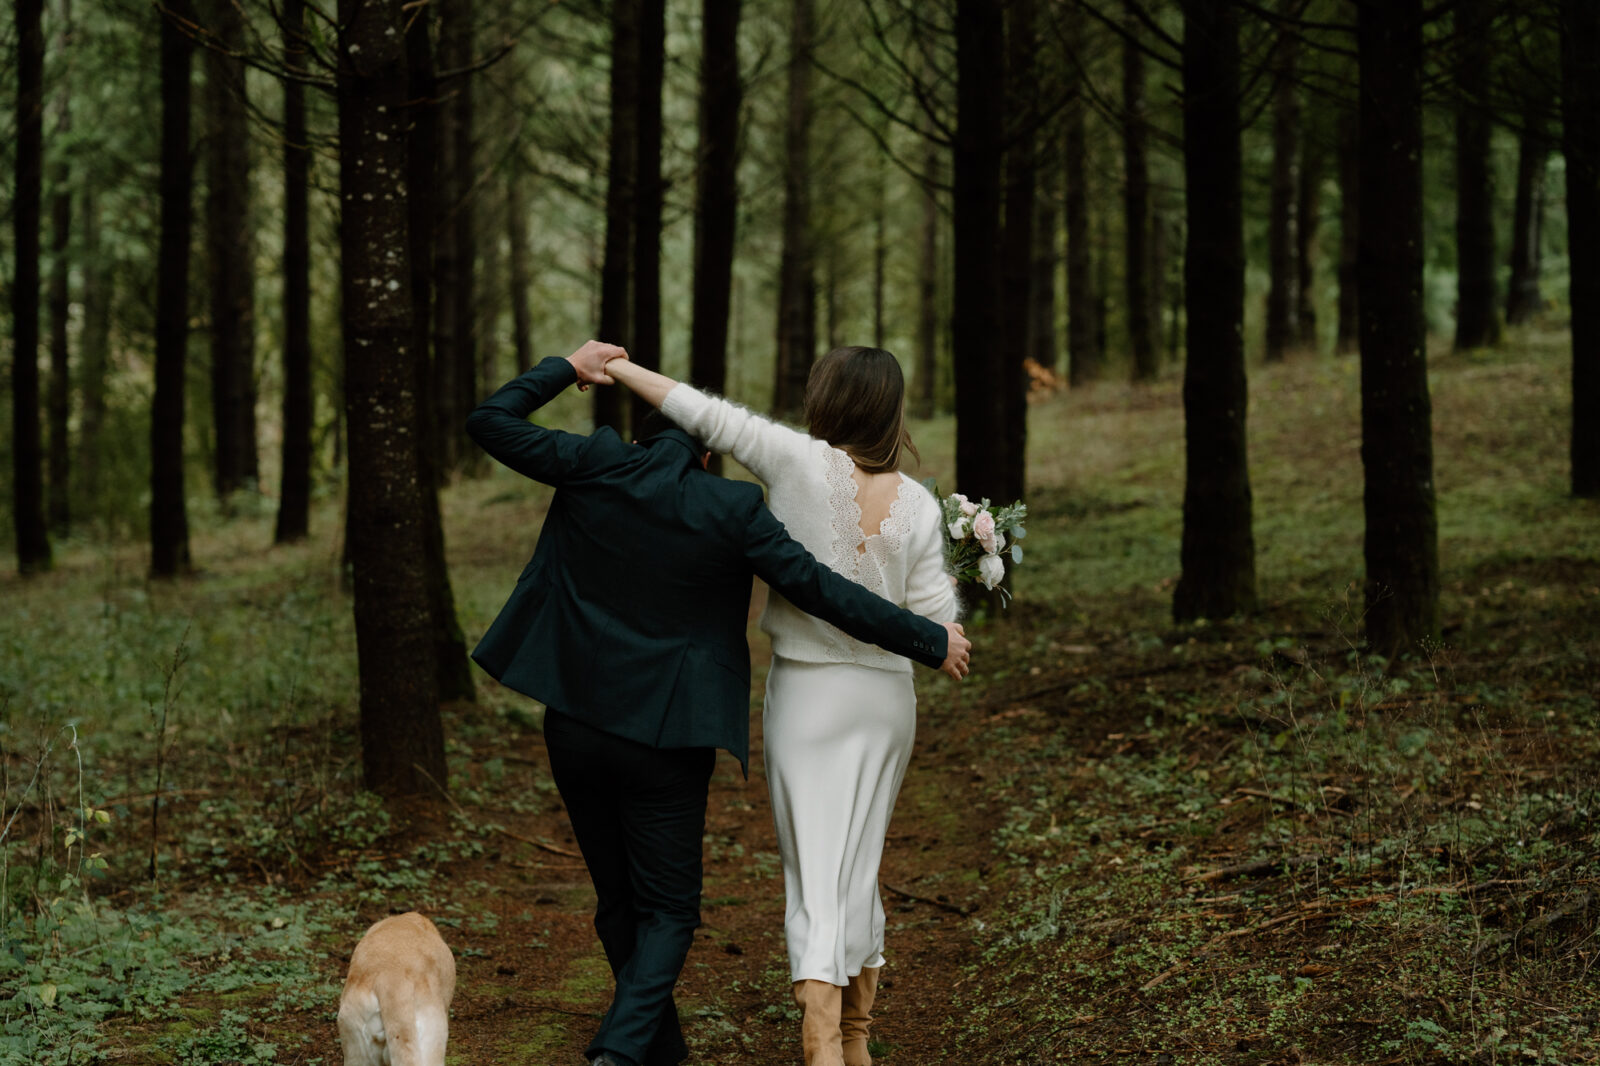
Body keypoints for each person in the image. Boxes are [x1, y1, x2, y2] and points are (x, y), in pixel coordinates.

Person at [465, 341, 971, 1066]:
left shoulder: (593, 464)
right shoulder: (733, 509)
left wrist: (571, 367)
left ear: (642, 439)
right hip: (669, 737)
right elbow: (821, 589)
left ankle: (654, 1050)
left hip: (572, 719)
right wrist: (928, 638)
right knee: (669, 910)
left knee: (618, 903)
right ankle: (621, 1051)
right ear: (708, 458)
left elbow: (490, 421)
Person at [605, 348, 959, 1066]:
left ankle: (824, 1043)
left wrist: (616, 367)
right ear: (892, 409)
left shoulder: (796, 460)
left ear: (828, 399)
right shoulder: (921, 505)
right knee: (860, 865)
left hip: (808, 696)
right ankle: (855, 1039)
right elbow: (941, 624)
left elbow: (699, 411)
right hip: (888, 701)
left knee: (815, 870)